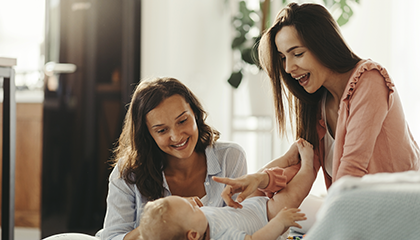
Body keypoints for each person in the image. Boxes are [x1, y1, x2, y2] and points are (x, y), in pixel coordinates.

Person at [217, 2, 419, 213]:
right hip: (363, 210)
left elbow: (351, 172)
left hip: (402, 212)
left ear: (323, 45)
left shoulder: (370, 79)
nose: (288, 68)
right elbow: (301, 169)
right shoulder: (319, 100)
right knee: (274, 211)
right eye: (283, 58)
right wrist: (258, 178)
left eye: (297, 54)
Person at [96, 77, 248, 240]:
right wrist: (163, 221)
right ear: (148, 134)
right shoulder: (128, 171)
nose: (176, 137)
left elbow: (241, 222)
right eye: (161, 130)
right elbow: (112, 237)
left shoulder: (230, 157)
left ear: (195, 113)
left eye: (182, 121)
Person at [138, 139, 314, 240]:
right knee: (291, 196)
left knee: (256, 176)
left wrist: (190, 207)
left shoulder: (197, 224)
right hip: (267, 219)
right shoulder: (219, 237)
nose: (193, 202)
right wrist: (280, 222)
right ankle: (309, 165)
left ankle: (287, 159)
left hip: (247, 208)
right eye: (191, 207)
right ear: (192, 235)